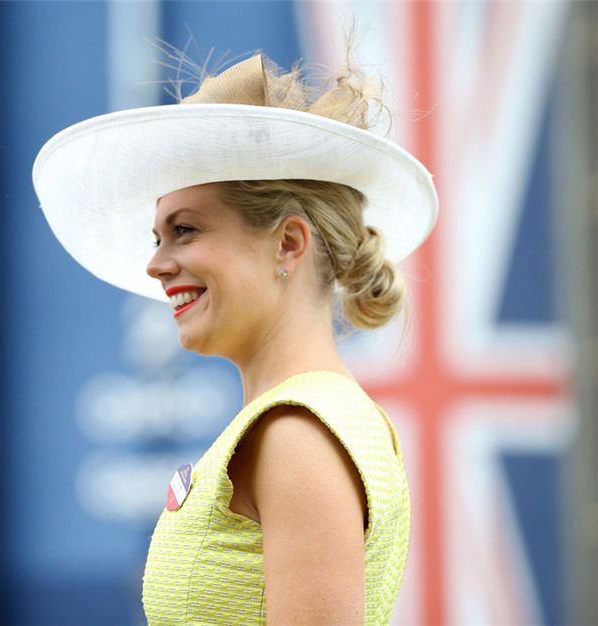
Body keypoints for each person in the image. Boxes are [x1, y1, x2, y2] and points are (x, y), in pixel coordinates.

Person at [33, 51, 437, 625]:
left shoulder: (298, 431)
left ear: (288, 244)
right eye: (157, 238)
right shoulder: (317, 419)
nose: (156, 265)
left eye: (185, 230)